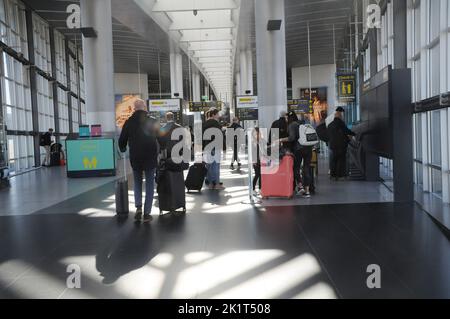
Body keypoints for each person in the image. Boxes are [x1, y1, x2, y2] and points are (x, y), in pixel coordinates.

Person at [119, 99, 159, 223]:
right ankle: (147, 213)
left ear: (135, 109)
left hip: (135, 157)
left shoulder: (129, 122)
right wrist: (163, 147)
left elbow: (122, 140)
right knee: (150, 183)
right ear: (144, 107)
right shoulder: (152, 121)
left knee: (137, 182)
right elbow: (161, 136)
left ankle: (138, 208)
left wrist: (123, 147)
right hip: (150, 157)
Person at [278, 111, 313, 198]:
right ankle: (307, 191)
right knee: (306, 168)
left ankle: (300, 186)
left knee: (296, 168)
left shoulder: (292, 125)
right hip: (308, 148)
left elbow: (291, 138)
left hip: (299, 149)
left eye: (286, 118)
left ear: (289, 118)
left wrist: (280, 140)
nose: (286, 120)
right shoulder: (302, 123)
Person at [327, 107, 356, 180]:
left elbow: (328, 135)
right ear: (340, 115)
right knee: (341, 160)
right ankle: (340, 175)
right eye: (341, 114)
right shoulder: (340, 123)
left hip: (333, 145)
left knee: (334, 160)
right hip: (341, 145)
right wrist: (354, 134)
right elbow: (346, 131)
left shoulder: (330, 125)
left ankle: (333, 175)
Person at [203, 108, 224, 190]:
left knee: (209, 166)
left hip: (207, 147)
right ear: (214, 115)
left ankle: (210, 184)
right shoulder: (216, 124)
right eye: (217, 114)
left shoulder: (205, 124)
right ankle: (217, 184)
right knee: (216, 166)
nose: (219, 115)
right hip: (215, 147)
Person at [252, 127, 262, 194]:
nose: (257, 135)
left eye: (258, 133)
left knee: (261, 175)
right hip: (256, 161)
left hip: (261, 160)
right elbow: (253, 152)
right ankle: (253, 188)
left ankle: (260, 189)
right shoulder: (253, 142)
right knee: (257, 174)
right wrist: (254, 161)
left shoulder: (261, 141)